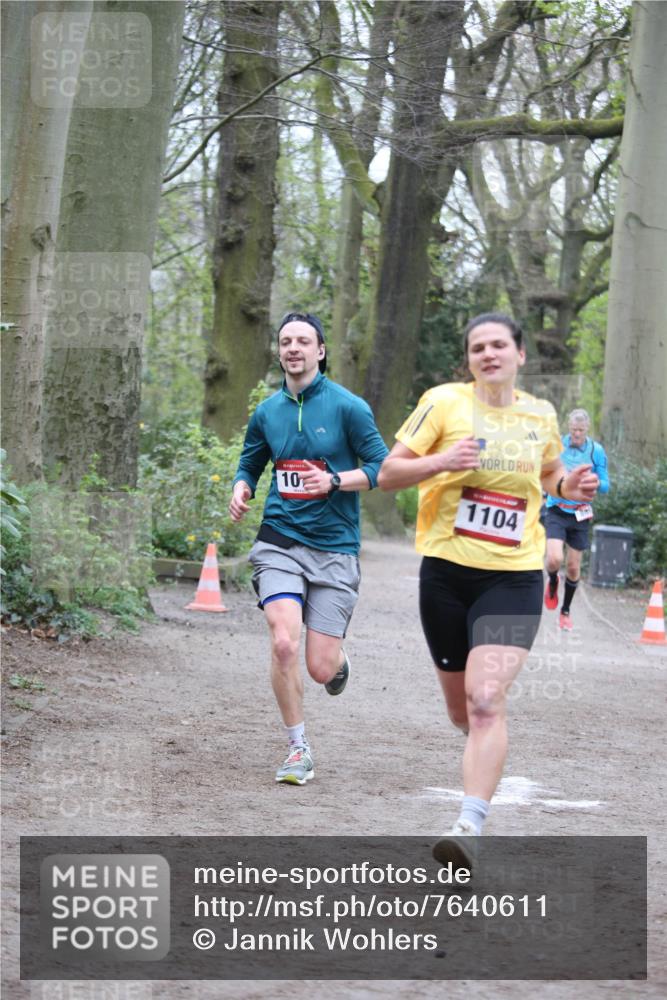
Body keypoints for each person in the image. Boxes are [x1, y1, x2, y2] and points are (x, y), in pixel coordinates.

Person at [377, 313, 599, 866]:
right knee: (461, 711)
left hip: (515, 576)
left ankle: (468, 825)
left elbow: (548, 475)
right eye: (478, 347)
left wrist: (569, 485)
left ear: (520, 355)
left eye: (499, 344)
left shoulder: (539, 413)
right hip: (447, 574)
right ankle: (479, 749)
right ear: (469, 359)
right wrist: (443, 461)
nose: (489, 353)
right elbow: (388, 473)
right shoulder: (443, 402)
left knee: (485, 700)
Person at [229, 311, 388, 786]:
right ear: (278, 352)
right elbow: (250, 461)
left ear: (320, 351)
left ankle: (337, 661)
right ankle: (298, 748)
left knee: (319, 666)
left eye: (302, 341)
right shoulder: (267, 411)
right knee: (283, 641)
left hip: (335, 547)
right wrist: (242, 487)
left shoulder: (348, 407)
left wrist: (336, 480)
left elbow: (383, 467)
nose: (293, 348)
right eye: (285, 341)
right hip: (279, 539)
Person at [544, 409, 610, 629]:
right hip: (556, 508)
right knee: (554, 559)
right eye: (573, 430)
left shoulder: (596, 451)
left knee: (573, 567)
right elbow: (544, 473)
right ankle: (553, 580)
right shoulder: (558, 446)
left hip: (580, 514)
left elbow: (606, 484)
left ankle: (565, 611)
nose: (577, 435)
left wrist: (594, 483)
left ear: (587, 429)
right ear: (568, 428)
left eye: (580, 431)